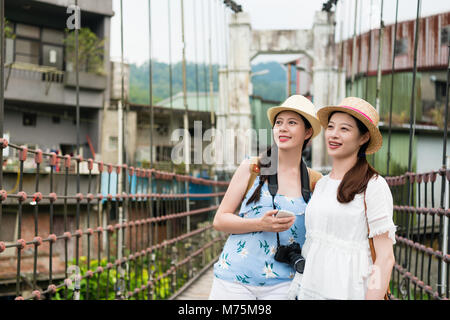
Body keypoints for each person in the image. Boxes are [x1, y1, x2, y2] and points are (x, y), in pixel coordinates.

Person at [209, 95, 322, 300]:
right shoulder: (252, 167)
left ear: (307, 132)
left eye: (292, 123)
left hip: (283, 284)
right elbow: (220, 220)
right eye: (279, 122)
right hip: (234, 280)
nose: (282, 128)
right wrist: (261, 223)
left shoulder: (315, 182)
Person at [289, 97, 396, 300]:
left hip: (349, 292)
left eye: (344, 129)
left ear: (363, 138)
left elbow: (385, 258)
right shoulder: (321, 184)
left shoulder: (373, 186)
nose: (333, 135)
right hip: (312, 289)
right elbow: (313, 243)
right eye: (330, 127)